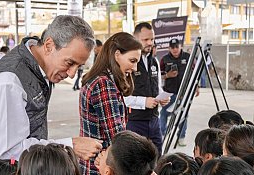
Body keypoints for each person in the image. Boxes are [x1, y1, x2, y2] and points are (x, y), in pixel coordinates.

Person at [0, 15, 102, 174]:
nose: (72, 74)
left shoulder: (40, 70)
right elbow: (10, 151)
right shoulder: (8, 80)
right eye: (69, 63)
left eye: (79, 66)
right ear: (49, 45)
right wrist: (70, 146)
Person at [79, 32, 142, 175]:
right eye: (132, 61)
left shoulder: (102, 80)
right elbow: (117, 135)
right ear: (117, 54)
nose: (135, 68)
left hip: (96, 164)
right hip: (100, 167)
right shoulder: (103, 84)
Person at [124, 22, 169, 155]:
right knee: (136, 161)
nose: (150, 43)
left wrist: (162, 97)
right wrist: (144, 102)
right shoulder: (127, 63)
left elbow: (158, 87)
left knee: (157, 157)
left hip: (154, 121)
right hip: (134, 122)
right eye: (145, 40)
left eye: (152, 39)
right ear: (135, 38)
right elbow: (121, 97)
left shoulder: (154, 61)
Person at [160, 38, 199, 146]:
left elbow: (195, 73)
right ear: (169, 48)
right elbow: (159, 76)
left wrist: (196, 86)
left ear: (180, 46)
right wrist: (167, 75)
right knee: (163, 113)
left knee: (183, 115)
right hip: (169, 93)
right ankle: (162, 134)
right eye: (172, 47)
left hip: (184, 93)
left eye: (176, 47)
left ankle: (181, 137)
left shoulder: (188, 57)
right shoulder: (164, 59)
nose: (175, 49)